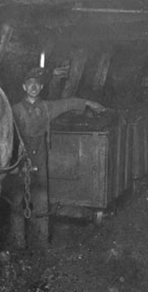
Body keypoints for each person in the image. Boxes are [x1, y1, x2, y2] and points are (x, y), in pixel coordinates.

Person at [8, 67, 106, 248]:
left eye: (37, 84)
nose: (33, 87)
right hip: (19, 158)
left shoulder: (47, 108)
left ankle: (42, 242)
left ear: (41, 87)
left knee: (41, 199)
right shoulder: (14, 111)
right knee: (17, 200)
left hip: (40, 158)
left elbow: (68, 103)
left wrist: (89, 103)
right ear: (24, 87)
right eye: (30, 84)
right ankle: (18, 242)